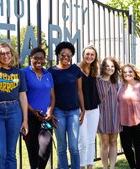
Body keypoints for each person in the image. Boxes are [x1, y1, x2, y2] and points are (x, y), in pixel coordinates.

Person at [0, 42, 28, 169]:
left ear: (12, 54)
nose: (5, 56)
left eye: (8, 53)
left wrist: (25, 120)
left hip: (14, 111)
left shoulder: (18, 72)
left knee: (11, 153)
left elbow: (22, 96)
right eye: (2, 53)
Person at [48, 41, 85, 169]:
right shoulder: (51, 71)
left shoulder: (75, 70)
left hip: (74, 112)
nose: (66, 57)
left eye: (69, 55)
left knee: (74, 147)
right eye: (63, 54)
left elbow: (80, 91)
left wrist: (83, 110)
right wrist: (50, 112)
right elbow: (50, 94)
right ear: (58, 55)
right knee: (61, 147)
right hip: (58, 112)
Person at [21, 47, 56, 169]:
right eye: (36, 58)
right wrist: (32, 111)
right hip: (30, 118)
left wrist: (50, 111)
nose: (39, 61)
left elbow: (52, 96)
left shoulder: (48, 75)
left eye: (41, 58)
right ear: (30, 59)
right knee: (32, 150)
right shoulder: (24, 72)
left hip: (46, 118)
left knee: (45, 148)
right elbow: (22, 95)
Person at [118, 64, 140, 169]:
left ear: (134, 73)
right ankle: (133, 166)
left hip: (138, 121)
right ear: (122, 75)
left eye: (130, 72)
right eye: (125, 72)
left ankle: (139, 167)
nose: (128, 74)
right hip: (123, 122)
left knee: (138, 147)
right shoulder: (120, 85)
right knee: (126, 147)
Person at [77, 45, 100, 169]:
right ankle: (81, 165)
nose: (89, 56)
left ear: (95, 57)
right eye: (87, 54)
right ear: (83, 55)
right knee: (83, 140)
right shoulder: (76, 69)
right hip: (81, 109)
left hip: (94, 108)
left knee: (91, 140)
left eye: (92, 54)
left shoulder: (94, 70)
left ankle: (90, 165)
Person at [96, 57, 121, 169]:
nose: (110, 68)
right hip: (102, 115)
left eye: (112, 66)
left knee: (114, 141)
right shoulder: (97, 81)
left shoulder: (117, 83)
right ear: (103, 67)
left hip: (115, 114)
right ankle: (105, 167)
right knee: (104, 142)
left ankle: (112, 167)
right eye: (107, 66)